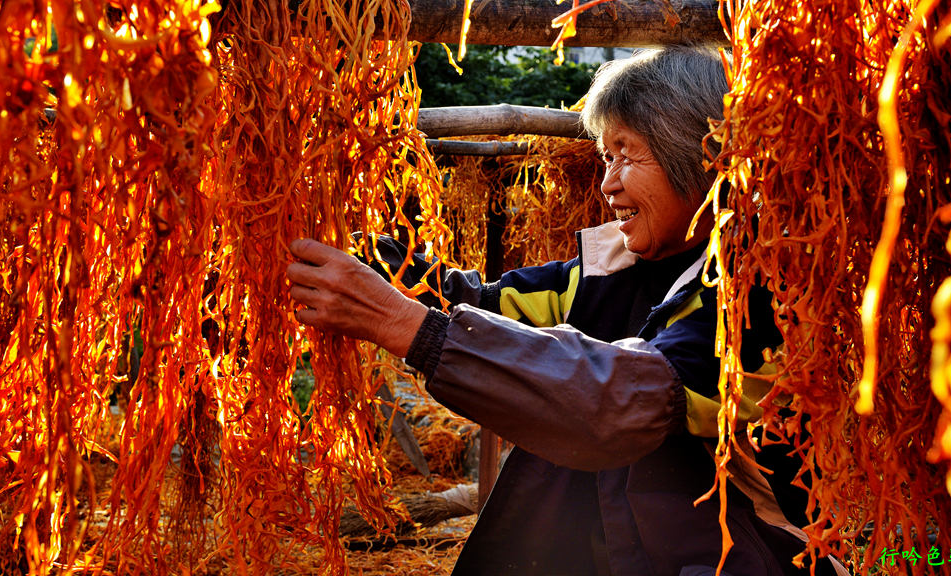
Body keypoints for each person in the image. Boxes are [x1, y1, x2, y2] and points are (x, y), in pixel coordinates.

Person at [287, 45, 842, 576]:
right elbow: (478, 300)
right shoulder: (609, 269)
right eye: (606, 156)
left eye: (627, 154)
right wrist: (362, 259)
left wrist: (400, 324)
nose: (606, 183)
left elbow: (623, 401)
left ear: (699, 155)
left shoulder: (760, 286)